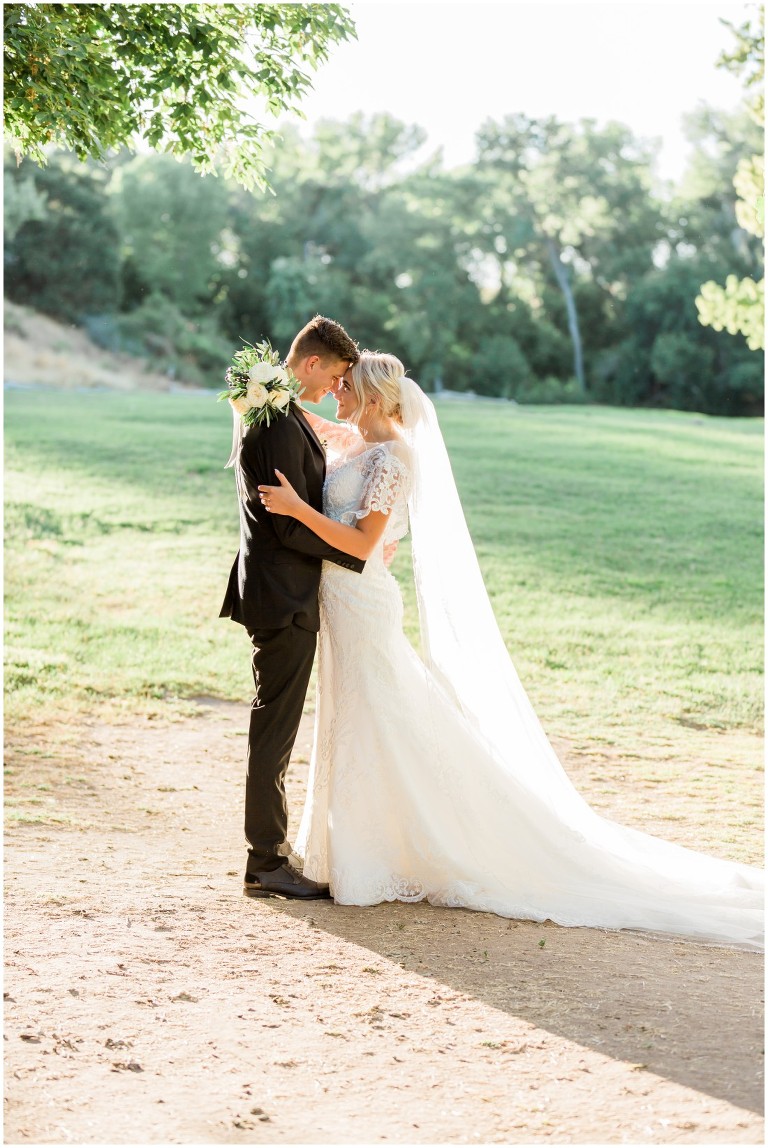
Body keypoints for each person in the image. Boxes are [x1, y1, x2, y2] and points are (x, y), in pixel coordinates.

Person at [256, 350, 764, 951]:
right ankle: (359, 850)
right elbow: (303, 428)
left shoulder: (395, 456)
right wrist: (258, 397)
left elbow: (364, 545)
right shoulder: (357, 441)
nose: (334, 392)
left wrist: (297, 510)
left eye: (345, 386)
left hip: (363, 605)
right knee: (356, 721)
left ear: (370, 397)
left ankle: (395, 853)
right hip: (340, 607)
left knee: (380, 717)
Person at [220, 315, 365, 900]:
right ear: (310, 364)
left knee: (274, 727)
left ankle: (268, 855)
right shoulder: (276, 420)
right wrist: (355, 552)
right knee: (274, 731)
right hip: (284, 596)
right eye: (332, 377)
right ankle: (265, 862)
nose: (333, 388)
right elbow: (285, 522)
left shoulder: (275, 411)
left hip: (278, 591)